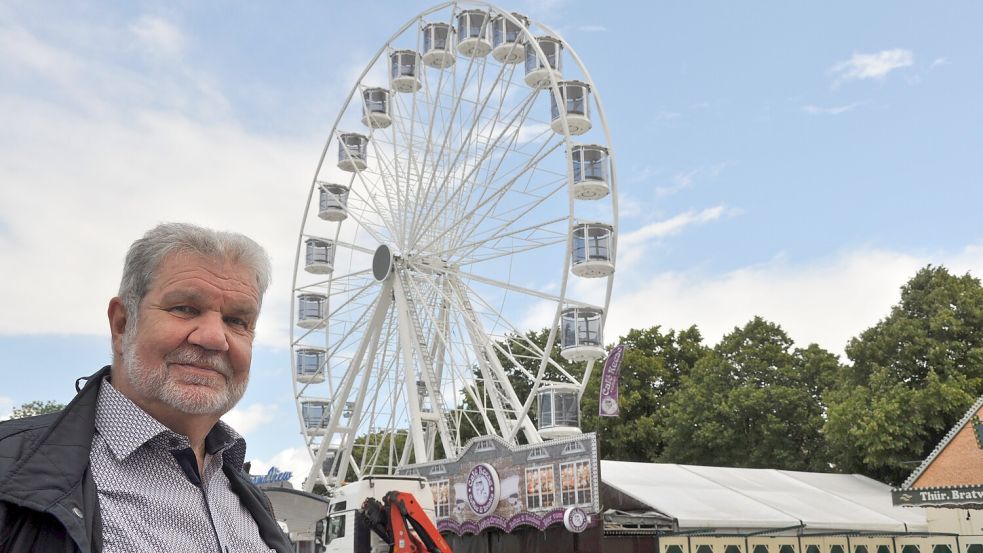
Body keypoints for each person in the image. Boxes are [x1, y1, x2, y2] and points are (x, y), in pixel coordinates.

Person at [0, 223, 293, 553]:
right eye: (184, 308)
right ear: (122, 323)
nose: (214, 338)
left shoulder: (252, 502)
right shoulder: (9, 470)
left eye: (237, 321)